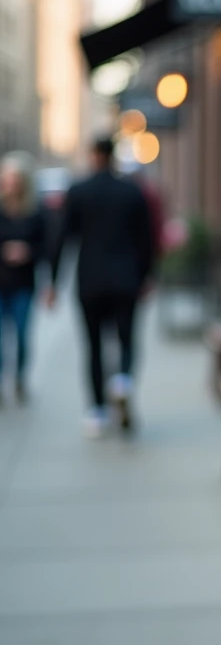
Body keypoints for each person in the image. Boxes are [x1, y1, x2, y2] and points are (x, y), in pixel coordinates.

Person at [48, 137, 156, 438]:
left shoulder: (79, 191)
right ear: (113, 157)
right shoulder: (133, 192)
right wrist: (147, 276)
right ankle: (122, 379)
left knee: (93, 346)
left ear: (93, 156)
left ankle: (97, 410)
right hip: (127, 279)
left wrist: (53, 282)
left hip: (91, 280)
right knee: (126, 337)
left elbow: (62, 238)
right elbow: (147, 240)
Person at [0, 152, 47, 405]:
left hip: (23, 284)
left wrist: (28, 251)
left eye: (15, 178)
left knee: (20, 335)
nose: (10, 183)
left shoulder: (35, 213)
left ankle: (19, 378)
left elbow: (46, 246)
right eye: (6, 178)